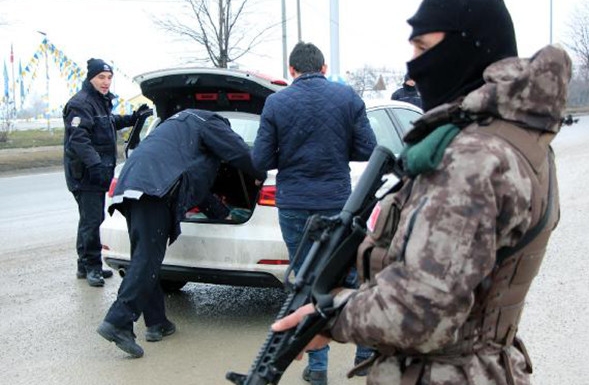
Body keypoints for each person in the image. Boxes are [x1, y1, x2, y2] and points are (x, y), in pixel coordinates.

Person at [271, 0, 572, 385]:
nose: (414, 64)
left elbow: (420, 312)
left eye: (425, 48)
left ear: (469, 48)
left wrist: (330, 317)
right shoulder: (517, 139)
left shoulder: (473, 157)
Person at [252, 41, 378, 384]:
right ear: (323, 69)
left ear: (291, 71)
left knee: (306, 279)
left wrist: (290, 154)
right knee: (352, 273)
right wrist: (335, 149)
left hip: (294, 204)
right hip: (337, 202)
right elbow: (368, 148)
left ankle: (318, 367)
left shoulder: (276, 103)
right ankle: (366, 353)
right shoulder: (347, 97)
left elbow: (260, 160)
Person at [97, 109, 266, 358]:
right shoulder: (210, 122)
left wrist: (222, 213)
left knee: (145, 257)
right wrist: (261, 173)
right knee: (147, 259)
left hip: (132, 184)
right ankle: (117, 321)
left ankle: (157, 322)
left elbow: (197, 186)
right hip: (154, 189)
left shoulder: (177, 127)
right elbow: (239, 152)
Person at [63, 58, 148, 287]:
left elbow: (109, 123)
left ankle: (84, 265)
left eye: (109, 77)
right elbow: (79, 139)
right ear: (91, 78)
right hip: (84, 174)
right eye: (101, 77)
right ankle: (92, 266)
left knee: (89, 219)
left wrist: (133, 118)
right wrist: (95, 165)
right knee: (92, 220)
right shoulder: (80, 104)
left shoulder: (100, 102)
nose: (106, 82)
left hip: (96, 171)